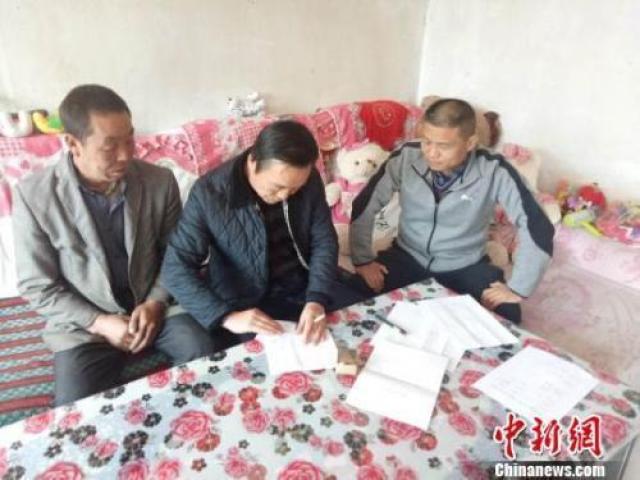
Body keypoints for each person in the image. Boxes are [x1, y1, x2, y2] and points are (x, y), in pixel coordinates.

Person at [12, 84, 214, 405]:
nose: (125, 155)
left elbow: (176, 255)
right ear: (72, 143)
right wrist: (100, 322)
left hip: (156, 307)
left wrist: (155, 302)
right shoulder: (34, 197)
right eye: (109, 146)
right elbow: (38, 286)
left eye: (129, 140)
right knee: (76, 411)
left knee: (204, 357)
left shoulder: (159, 181)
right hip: (84, 323)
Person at [348, 98, 555, 323]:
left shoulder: (494, 169)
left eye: (443, 146)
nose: (431, 153)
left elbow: (537, 224)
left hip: (465, 266)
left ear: (470, 142)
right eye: (426, 141)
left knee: (506, 314)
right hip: (407, 257)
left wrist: (518, 288)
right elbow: (365, 204)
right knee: (352, 293)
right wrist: (363, 260)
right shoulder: (406, 157)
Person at [161, 120, 356, 351]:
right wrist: (228, 317)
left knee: (358, 331)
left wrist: (317, 298)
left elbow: (324, 240)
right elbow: (175, 268)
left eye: (294, 189)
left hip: (305, 286)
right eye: (277, 187)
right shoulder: (210, 193)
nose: (285, 196)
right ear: (253, 162)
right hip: (247, 303)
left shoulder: (306, 177)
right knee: (272, 361)